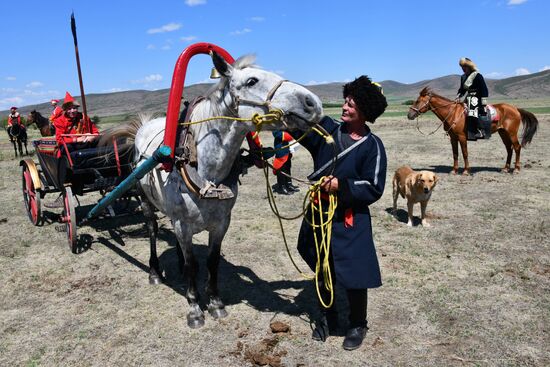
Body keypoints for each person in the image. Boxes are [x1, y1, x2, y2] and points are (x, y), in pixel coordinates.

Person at [290, 75, 387, 351]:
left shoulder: (373, 146)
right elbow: (301, 123)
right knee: (319, 260)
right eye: (345, 102)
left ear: (365, 111)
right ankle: (328, 315)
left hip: (350, 217)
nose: (344, 108)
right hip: (319, 211)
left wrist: (340, 186)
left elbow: (374, 186)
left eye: (351, 105)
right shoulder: (328, 130)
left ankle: (357, 324)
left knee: (355, 271)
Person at [457, 57, 490, 140]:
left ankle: (480, 130)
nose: (463, 69)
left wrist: (483, 103)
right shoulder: (463, 77)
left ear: (469, 66)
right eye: (462, 67)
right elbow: (462, 90)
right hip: (468, 97)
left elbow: (484, 89)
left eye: (464, 66)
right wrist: (459, 96)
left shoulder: (477, 75)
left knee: (472, 110)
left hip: (477, 97)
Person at [271, 130, 299, 195]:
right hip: (280, 145)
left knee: (288, 165)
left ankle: (288, 183)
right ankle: (281, 186)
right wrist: (289, 136)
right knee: (281, 166)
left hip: (287, 145)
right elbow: (276, 133)